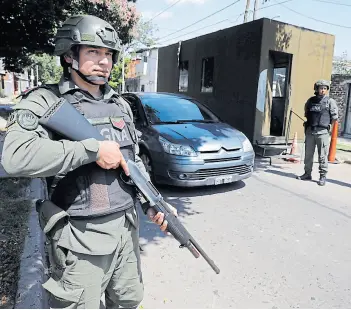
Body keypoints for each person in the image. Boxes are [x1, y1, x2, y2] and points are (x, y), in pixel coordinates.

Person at [1, 15, 177, 309]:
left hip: (126, 231)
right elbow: (16, 157)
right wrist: (92, 150)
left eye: (108, 54)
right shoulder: (46, 101)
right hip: (79, 239)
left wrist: (153, 202)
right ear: (70, 55)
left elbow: (133, 162)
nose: (104, 61)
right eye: (94, 52)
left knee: (128, 300)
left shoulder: (119, 104)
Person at [296, 79, 338, 186]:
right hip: (311, 131)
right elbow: (307, 113)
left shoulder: (330, 102)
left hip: (322, 132)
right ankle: (307, 173)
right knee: (308, 155)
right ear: (317, 89)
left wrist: (329, 129)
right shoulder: (310, 101)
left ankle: (322, 176)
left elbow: (334, 118)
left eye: (324, 88)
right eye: (321, 88)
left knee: (322, 156)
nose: (322, 90)